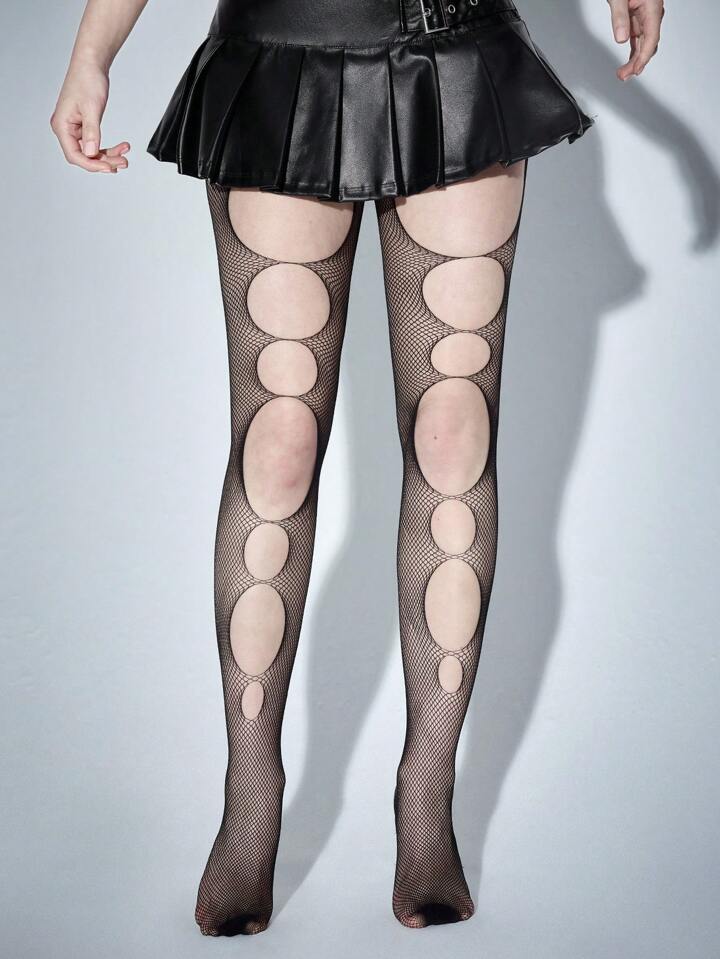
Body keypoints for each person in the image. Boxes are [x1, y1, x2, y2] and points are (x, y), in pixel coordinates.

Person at [51, 0, 665, 936]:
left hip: (451, 44)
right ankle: (251, 796)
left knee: (455, 434)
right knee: (278, 447)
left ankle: (427, 796)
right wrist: (93, 51)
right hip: (282, 43)